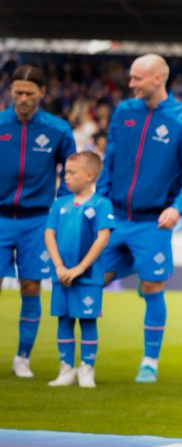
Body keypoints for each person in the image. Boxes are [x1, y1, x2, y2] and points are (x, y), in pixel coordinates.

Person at [97, 53, 182, 383]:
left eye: (136, 78)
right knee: (91, 277)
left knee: (152, 284)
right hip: (115, 218)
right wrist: (99, 204)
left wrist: (178, 206)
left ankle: (149, 362)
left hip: (154, 221)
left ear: (158, 79)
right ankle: (80, 362)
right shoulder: (123, 112)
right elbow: (110, 161)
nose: (130, 84)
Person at [2, 65, 76, 378]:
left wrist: (60, 205)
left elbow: (71, 170)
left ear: (41, 94)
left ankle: (23, 357)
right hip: (1, 217)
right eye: (17, 92)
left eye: (29, 93)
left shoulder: (57, 129)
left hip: (37, 220)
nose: (22, 98)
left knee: (31, 286)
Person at [44, 151, 114, 388]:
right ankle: (66, 369)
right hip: (61, 275)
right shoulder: (59, 203)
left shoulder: (102, 204)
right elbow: (49, 234)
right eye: (65, 172)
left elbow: (102, 238)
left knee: (87, 321)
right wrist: (60, 266)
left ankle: (87, 369)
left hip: (89, 278)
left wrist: (79, 268)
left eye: (72, 172)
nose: (66, 177)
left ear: (89, 175)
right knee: (63, 320)